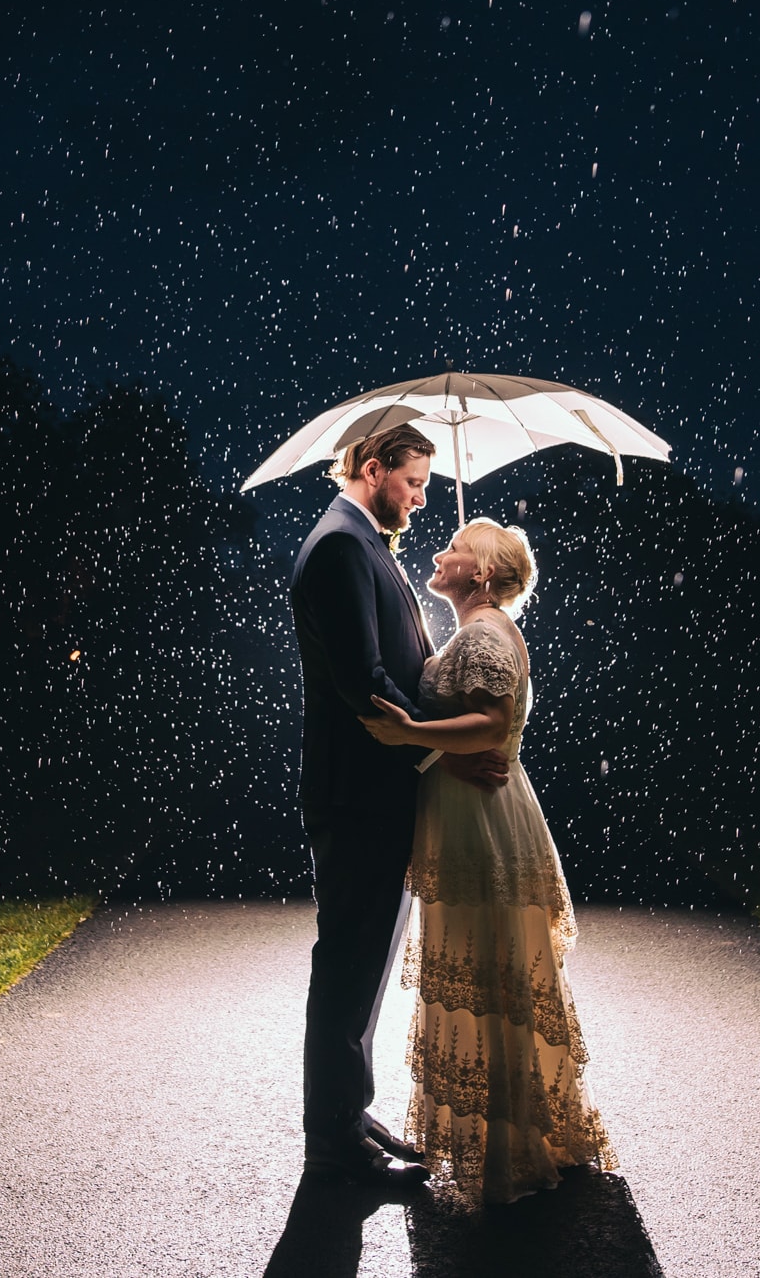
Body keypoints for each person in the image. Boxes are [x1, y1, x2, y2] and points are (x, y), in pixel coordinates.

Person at [360, 517, 616, 1204]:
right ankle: (517, 1130)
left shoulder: (486, 633)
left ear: (479, 572)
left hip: (480, 821)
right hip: (471, 809)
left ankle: (507, 1147)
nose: (438, 553)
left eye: (455, 546)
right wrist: (438, 745)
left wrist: (412, 730)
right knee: (490, 971)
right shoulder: (474, 632)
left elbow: (494, 723)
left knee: (488, 972)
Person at [289, 423, 508, 1186]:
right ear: (373, 468)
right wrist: (440, 744)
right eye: (412, 482)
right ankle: (333, 1139)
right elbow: (366, 680)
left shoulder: (366, 542)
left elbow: (401, 664)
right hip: (357, 793)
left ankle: (350, 1109)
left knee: (366, 960)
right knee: (348, 961)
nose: (419, 498)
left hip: (378, 790)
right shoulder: (342, 545)